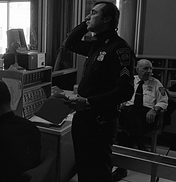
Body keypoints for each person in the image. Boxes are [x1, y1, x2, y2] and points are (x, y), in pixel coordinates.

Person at [63, 2, 135, 181]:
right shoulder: (97, 45)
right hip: (83, 119)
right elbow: (70, 43)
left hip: (99, 122)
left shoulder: (119, 49)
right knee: (84, 169)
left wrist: (89, 102)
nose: (88, 16)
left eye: (93, 13)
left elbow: (125, 91)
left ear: (107, 19)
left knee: (97, 173)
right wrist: (85, 23)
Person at [112, 59, 168, 181]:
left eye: (151, 68)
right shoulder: (129, 81)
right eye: (146, 68)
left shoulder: (156, 83)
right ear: (137, 69)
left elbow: (164, 101)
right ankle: (139, 143)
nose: (149, 71)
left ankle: (122, 169)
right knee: (127, 112)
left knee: (126, 131)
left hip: (146, 116)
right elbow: (120, 97)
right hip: (129, 113)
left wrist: (154, 110)